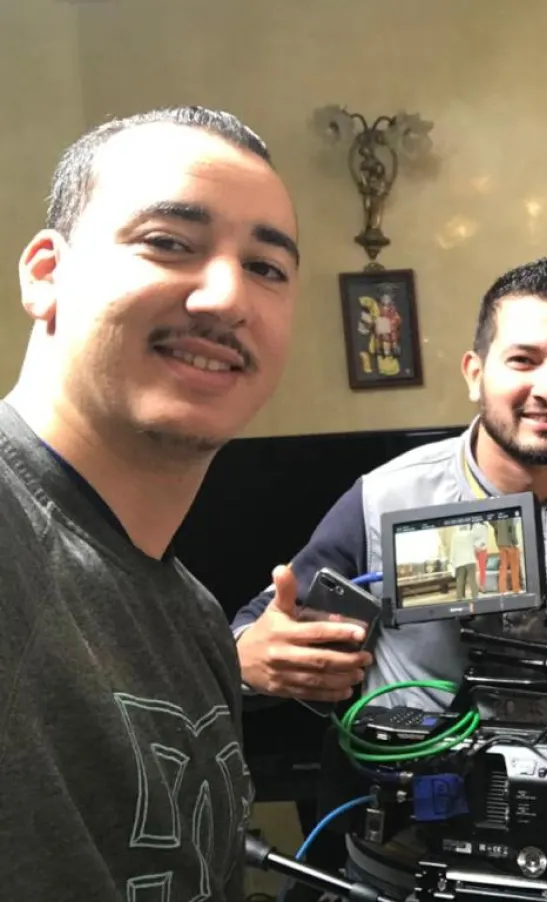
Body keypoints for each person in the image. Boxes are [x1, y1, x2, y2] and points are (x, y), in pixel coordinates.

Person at [231, 256, 547, 894]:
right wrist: (248, 655)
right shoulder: (384, 498)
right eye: (523, 360)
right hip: (398, 858)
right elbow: (258, 629)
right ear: (475, 372)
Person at [0, 106, 300, 901]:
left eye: (267, 267)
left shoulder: (195, 620)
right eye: (169, 242)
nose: (227, 297)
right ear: (46, 273)